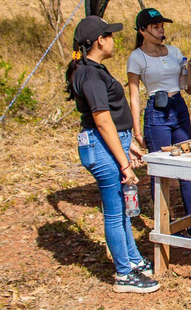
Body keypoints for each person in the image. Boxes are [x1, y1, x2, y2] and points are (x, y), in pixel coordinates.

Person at [67, 16, 159, 293]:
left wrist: (127, 141)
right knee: (115, 212)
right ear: (99, 40)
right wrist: (124, 164)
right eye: (110, 35)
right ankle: (123, 274)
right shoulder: (89, 74)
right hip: (101, 145)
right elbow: (102, 120)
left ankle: (132, 260)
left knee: (120, 210)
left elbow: (112, 121)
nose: (114, 40)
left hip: (111, 142)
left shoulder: (93, 68)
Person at [127, 8, 191, 224]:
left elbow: (189, 87)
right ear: (142, 30)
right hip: (156, 111)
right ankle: (163, 223)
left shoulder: (175, 51)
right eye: (156, 27)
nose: (161, 30)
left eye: (162, 26)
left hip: (178, 107)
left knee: (186, 163)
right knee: (160, 168)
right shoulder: (136, 57)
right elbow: (134, 96)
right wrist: (136, 132)